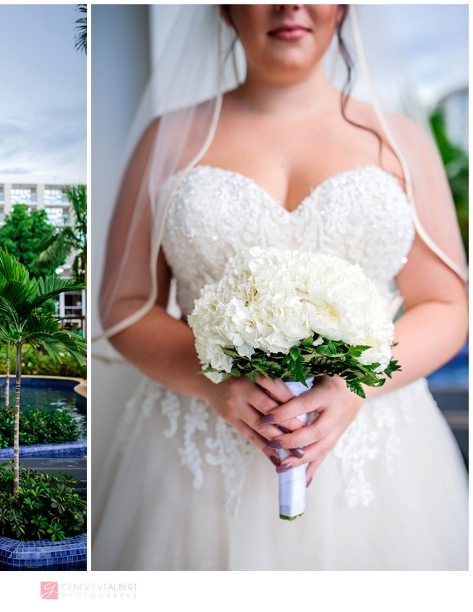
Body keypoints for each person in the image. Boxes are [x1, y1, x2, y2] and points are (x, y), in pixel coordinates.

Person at [93, 5, 468, 570]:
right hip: (195, 455)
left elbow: (445, 304)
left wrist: (355, 386)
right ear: (225, 9)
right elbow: (125, 305)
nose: (290, 5)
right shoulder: (168, 138)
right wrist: (213, 383)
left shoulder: (401, 141)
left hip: (375, 455)